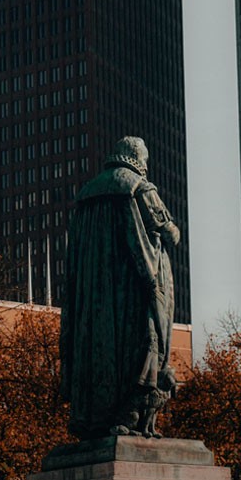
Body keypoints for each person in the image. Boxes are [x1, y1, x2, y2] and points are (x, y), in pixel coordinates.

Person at [59, 137, 180, 439]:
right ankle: (130, 414)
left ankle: (97, 418)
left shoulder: (86, 196)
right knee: (142, 347)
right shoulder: (139, 187)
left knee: (99, 353)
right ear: (138, 159)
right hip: (131, 290)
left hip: (93, 296)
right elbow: (170, 233)